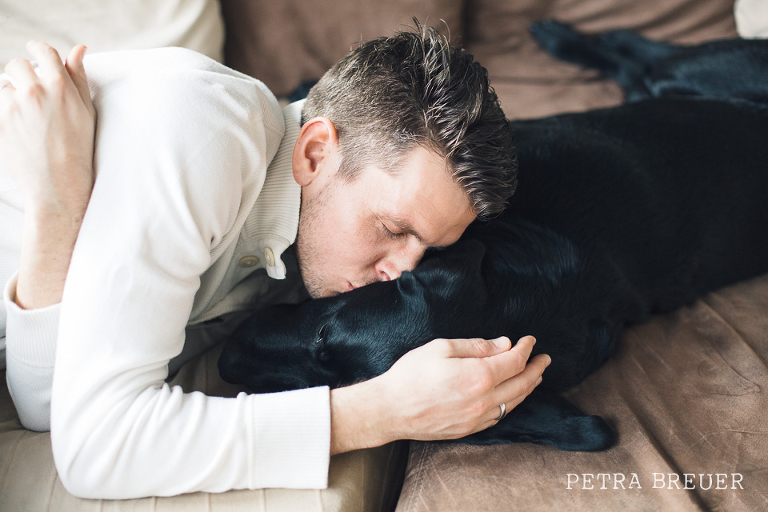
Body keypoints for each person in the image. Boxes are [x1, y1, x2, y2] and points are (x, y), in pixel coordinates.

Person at [0, 25, 551, 499]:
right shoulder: (204, 135)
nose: (404, 272)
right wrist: (385, 410)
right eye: (393, 229)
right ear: (315, 153)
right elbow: (99, 446)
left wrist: (60, 205)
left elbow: (47, 405)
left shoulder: (295, 249)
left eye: (428, 248)